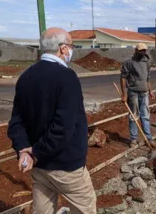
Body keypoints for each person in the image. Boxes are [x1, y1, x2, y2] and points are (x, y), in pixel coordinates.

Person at [7, 27, 97, 214]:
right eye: (71, 46)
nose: (71, 51)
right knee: (85, 208)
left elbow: (17, 121)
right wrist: (36, 151)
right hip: (66, 166)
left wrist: (24, 150)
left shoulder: (25, 77)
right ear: (63, 48)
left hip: (38, 166)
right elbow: (63, 127)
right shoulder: (67, 77)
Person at [120, 43, 156, 149]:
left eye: (144, 50)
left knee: (145, 116)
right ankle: (133, 139)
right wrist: (124, 94)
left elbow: (148, 78)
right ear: (136, 50)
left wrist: (150, 91)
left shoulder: (147, 62)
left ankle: (149, 139)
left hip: (145, 93)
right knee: (133, 116)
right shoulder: (129, 62)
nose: (143, 52)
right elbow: (123, 77)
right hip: (133, 93)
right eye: (141, 50)